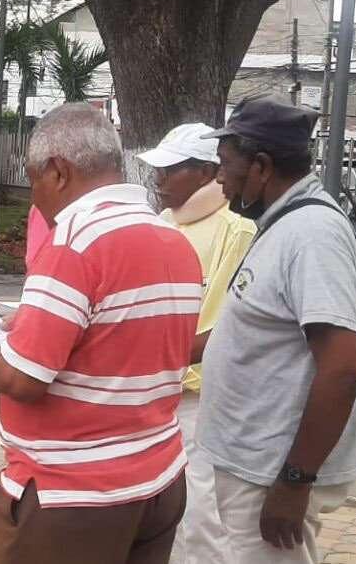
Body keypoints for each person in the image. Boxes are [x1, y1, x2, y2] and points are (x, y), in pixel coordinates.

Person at [0, 102, 199, 564]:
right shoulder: (173, 241)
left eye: (33, 179)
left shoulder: (75, 243)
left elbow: (24, 380)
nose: (34, 197)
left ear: (58, 171)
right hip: (158, 477)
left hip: (72, 492)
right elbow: (119, 338)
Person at [197, 95, 356, 564]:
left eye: (225, 164)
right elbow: (256, 329)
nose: (219, 177)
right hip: (252, 460)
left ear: (261, 166)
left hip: (271, 468)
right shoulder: (281, 222)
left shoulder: (312, 234)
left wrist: (294, 481)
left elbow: (343, 368)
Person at [133, 122, 257, 564]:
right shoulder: (159, 224)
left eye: (170, 170)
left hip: (199, 395)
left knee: (200, 509)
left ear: (206, 172)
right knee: (157, 504)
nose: (159, 179)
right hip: (151, 389)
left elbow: (227, 325)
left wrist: (163, 356)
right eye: (158, 170)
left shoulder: (237, 231)